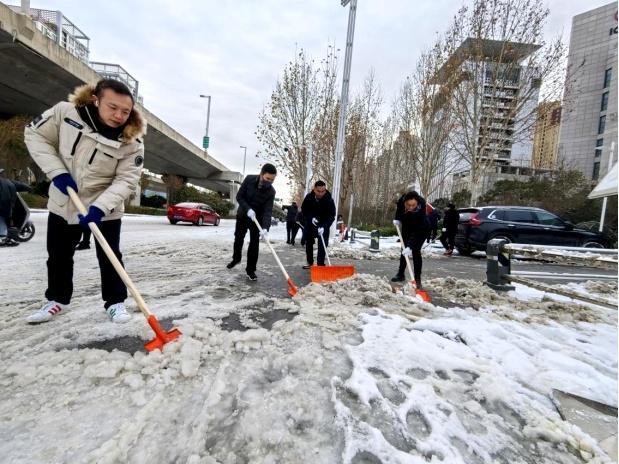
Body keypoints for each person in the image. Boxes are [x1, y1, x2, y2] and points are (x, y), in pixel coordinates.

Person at [23, 79, 146, 324]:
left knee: (110, 256)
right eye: (113, 107)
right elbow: (35, 135)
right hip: (64, 201)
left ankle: (115, 302)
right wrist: (56, 172)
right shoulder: (65, 113)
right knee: (58, 255)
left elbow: (126, 179)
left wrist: (100, 207)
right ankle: (57, 299)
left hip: (105, 208)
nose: (119, 115)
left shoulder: (132, 141)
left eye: (125, 111)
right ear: (96, 100)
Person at [227, 163, 277, 280]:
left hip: (257, 220)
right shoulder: (249, 179)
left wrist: (265, 228)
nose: (269, 182)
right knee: (238, 238)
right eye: (267, 178)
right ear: (261, 174)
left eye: (272, 180)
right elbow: (239, 196)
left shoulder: (271, 192)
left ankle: (250, 270)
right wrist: (248, 209)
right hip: (243, 215)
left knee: (254, 244)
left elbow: (268, 211)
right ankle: (236, 259)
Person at [391, 190, 430, 288]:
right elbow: (399, 209)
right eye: (408, 205)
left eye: (413, 205)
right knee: (403, 250)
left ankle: (417, 278)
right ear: (405, 202)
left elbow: (417, 231)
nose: (411, 207)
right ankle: (400, 274)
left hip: (421, 229)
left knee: (415, 251)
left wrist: (410, 246)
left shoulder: (421, 209)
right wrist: (397, 219)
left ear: (417, 202)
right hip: (407, 225)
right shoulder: (401, 201)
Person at [301, 180, 336, 269]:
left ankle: (320, 265)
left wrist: (324, 226)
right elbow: (304, 210)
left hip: (323, 225)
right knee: (309, 242)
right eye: (318, 191)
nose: (321, 193)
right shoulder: (309, 197)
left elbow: (331, 216)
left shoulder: (329, 200)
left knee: (322, 245)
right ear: (314, 189)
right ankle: (310, 262)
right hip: (310, 224)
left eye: (323, 191)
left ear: (325, 190)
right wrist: (310, 218)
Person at [0, 168, 31, 247]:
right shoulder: (8, 181)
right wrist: (31, 189)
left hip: (4, 205)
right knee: (4, 219)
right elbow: (20, 185)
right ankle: (3, 239)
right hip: (5, 205)